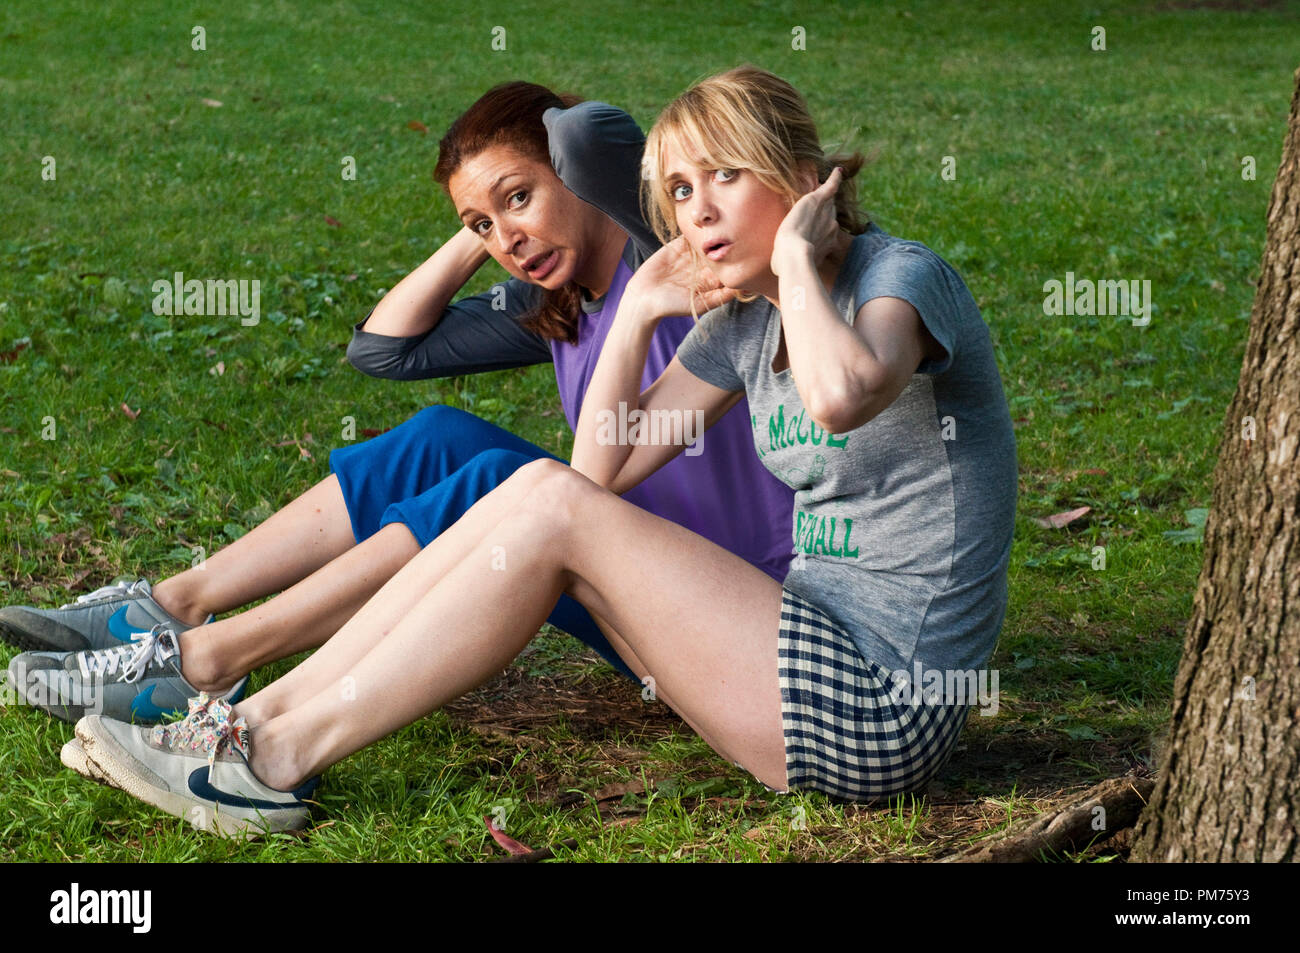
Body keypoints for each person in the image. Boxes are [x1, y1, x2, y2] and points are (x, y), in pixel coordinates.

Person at [66, 66, 1017, 836]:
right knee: (541, 490)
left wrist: (802, 261)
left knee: (544, 498)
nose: (698, 212)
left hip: (883, 704)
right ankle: (242, 726)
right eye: (680, 192)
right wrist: (644, 301)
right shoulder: (738, 324)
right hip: (786, 665)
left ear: (799, 174)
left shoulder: (900, 278)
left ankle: (268, 759)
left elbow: (844, 393)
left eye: (724, 175)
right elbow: (597, 473)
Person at [2, 82, 793, 724]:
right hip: (632, 578)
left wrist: (533, 190)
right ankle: (170, 607)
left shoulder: (682, 256)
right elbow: (385, 350)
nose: (508, 239)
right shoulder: (557, 305)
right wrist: (488, 219)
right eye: (483, 224)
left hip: (731, 618)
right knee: (439, 438)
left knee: (491, 480)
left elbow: (587, 132)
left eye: (523, 196)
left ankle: (211, 661)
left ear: (579, 178)